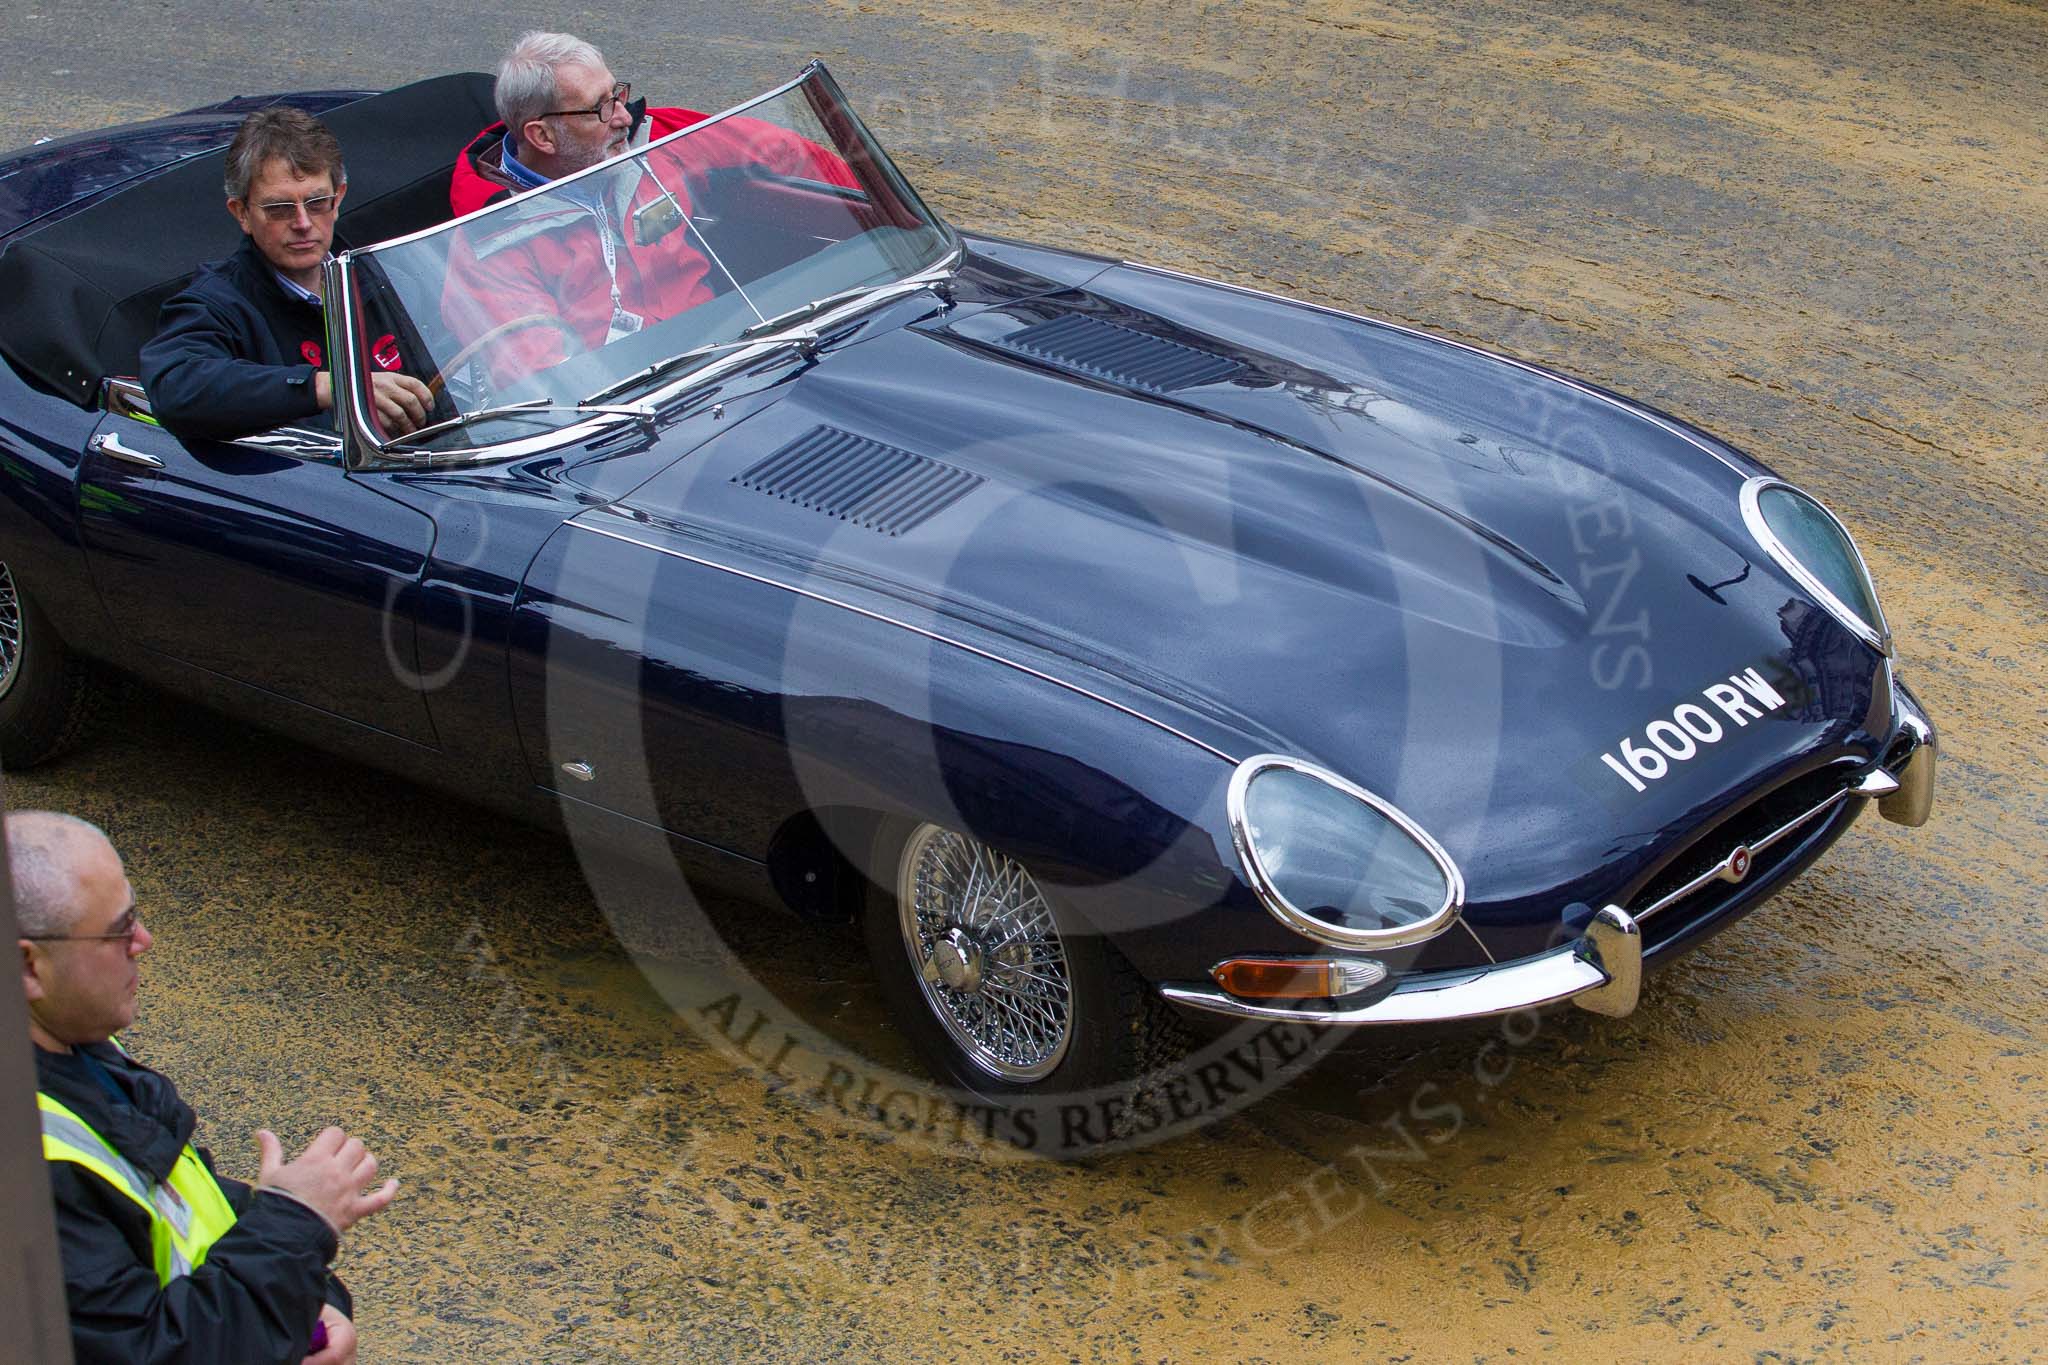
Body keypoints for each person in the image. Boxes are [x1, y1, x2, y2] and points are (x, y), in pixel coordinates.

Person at [14, 810, 399, 1365]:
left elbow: (188, 1215)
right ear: (27, 966)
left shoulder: (74, 1046)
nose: (144, 941)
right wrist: (295, 1223)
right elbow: (151, 1352)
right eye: (119, 929)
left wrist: (312, 1295)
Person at [441, 31, 859, 389]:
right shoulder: (489, 244)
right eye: (600, 108)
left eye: (616, 94)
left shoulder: (656, 141)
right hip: (633, 411)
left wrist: (883, 218)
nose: (625, 116)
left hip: (732, 358)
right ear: (543, 136)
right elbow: (551, 384)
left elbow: (783, 153)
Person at [139, 107, 433, 443]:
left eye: (317, 202)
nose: (303, 223)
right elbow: (177, 386)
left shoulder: (388, 277)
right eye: (279, 208)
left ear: (338, 200)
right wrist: (327, 386)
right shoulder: (214, 305)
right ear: (242, 214)